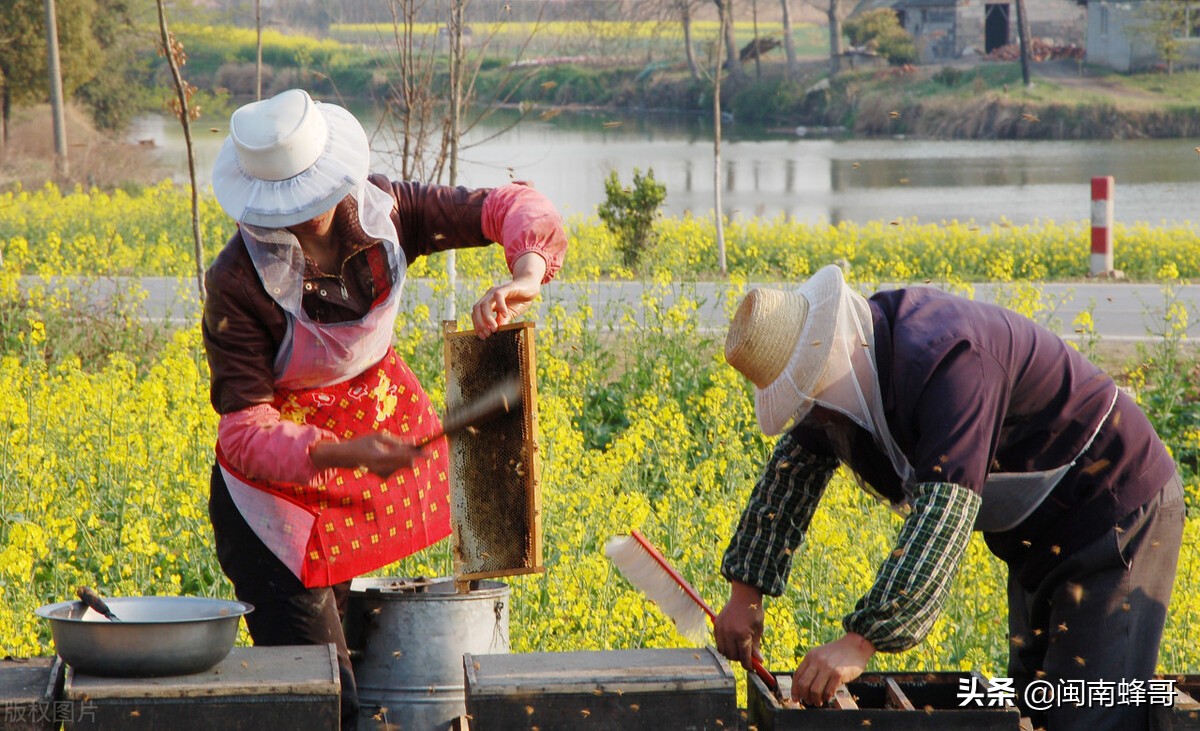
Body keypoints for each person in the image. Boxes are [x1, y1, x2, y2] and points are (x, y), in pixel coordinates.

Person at [201, 89, 567, 730]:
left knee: (364, 672)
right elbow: (242, 431)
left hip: (364, 459)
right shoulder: (237, 280)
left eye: (313, 193)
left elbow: (513, 205)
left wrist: (526, 274)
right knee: (325, 699)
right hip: (278, 507)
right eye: (288, 204)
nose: (305, 215)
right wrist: (342, 452)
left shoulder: (389, 214)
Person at [713, 264, 1184, 731]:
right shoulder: (845, 379)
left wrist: (860, 641)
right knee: (1035, 701)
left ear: (829, 353)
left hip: (1116, 507)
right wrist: (746, 593)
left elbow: (942, 518)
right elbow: (792, 475)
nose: (815, 414)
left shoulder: (949, 361)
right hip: (1038, 538)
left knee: (1089, 712)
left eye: (813, 395)